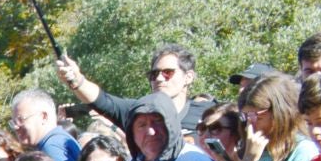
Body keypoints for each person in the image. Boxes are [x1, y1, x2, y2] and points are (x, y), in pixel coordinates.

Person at [56, 43, 215, 136]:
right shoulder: (138, 112)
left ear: (188, 77)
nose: (159, 79)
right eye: (154, 74)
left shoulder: (210, 114)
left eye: (168, 73)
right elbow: (103, 100)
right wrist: (77, 80)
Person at [9, 88, 81, 161]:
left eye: (21, 120)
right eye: (13, 122)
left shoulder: (51, 148)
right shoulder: (59, 139)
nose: (16, 127)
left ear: (43, 117)